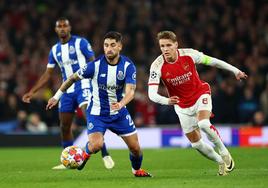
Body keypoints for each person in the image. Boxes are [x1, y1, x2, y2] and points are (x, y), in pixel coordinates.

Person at [46, 31, 152, 177]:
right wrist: (57, 96)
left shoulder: (128, 66)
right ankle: (83, 156)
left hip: (119, 114)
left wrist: (121, 104)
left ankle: (136, 171)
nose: (109, 48)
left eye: (113, 45)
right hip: (97, 114)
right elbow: (71, 78)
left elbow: (131, 91)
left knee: (135, 148)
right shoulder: (94, 66)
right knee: (96, 145)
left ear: (120, 46)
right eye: (106, 45)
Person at [148, 31, 248, 176]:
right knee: (196, 144)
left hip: (200, 95)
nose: (165, 49)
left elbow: (213, 61)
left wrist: (235, 70)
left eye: (168, 45)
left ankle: (224, 152)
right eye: (162, 46)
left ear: (176, 45)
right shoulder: (157, 66)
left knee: (203, 124)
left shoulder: (189, 54)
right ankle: (220, 161)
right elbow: (151, 94)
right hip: (182, 106)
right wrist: (167, 101)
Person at [22, 17, 114, 170]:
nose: (63, 28)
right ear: (56, 30)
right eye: (60, 26)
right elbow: (48, 74)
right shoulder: (55, 50)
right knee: (64, 126)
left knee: (88, 117)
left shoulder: (81, 43)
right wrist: (32, 91)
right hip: (67, 89)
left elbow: (94, 62)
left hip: (83, 84)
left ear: (70, 28)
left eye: (65, 26)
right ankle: (68, 160)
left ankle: (105, 153)